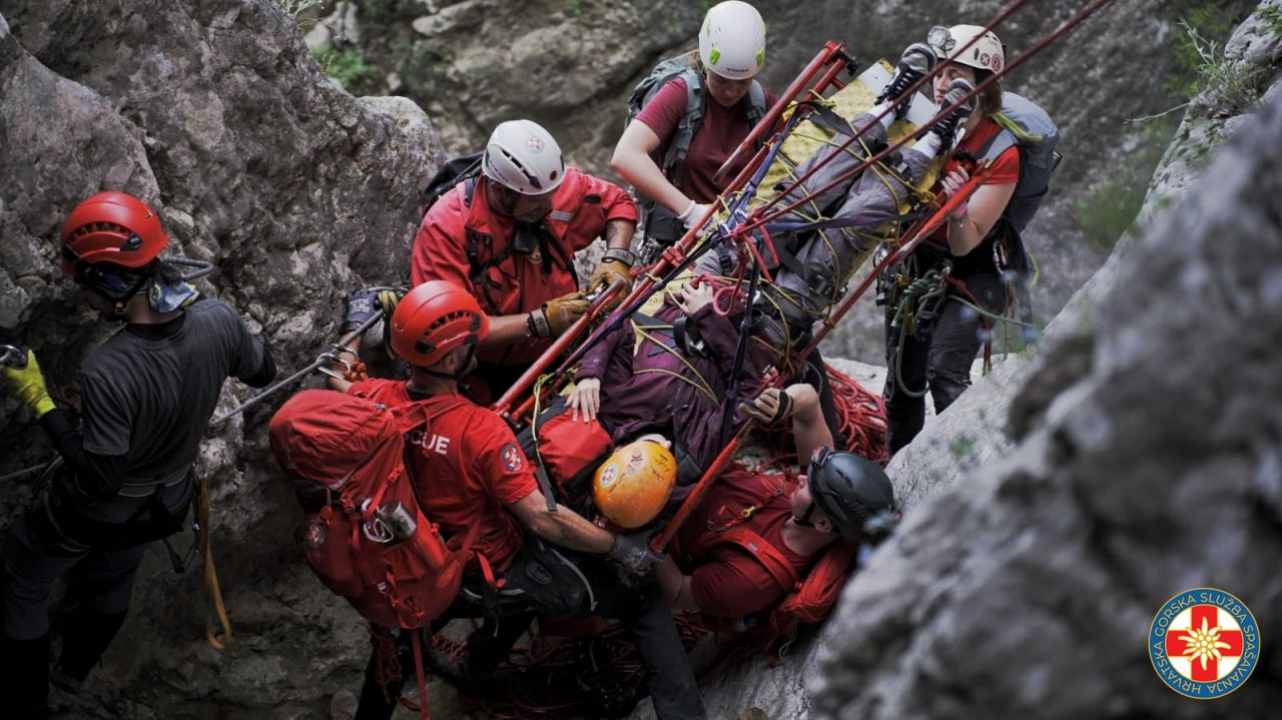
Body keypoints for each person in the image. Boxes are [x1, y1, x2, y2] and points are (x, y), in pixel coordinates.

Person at [327, 281, 705, 720]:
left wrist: (355, 322)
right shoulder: (479, 431)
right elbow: (543, 520)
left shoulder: (377, 401)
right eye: (472, 342)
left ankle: (460, 672)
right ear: (451, 359)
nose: (478, 346)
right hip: (487, 570)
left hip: (419, 560)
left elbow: (338, 374)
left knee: (399, 638)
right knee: (641, 599)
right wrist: (621, 549)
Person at [0, 192, 276, 715]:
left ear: (108, 282)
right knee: (115, 575)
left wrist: (39, 400)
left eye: (85, 286)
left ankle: (23, 704)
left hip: (98, 510)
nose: (84, 301)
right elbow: (265, 370)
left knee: (22, 581)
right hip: (164, 502)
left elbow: (99, 479)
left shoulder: (110, 369)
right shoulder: (217, 318)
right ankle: (75, 671)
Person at [410, 119, 639, 405]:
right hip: (489, 374)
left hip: (564, 351)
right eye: (538, 201)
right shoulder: (447, 227)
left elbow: (617, 203)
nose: (550, 206)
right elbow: (449, 329)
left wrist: (616, 259)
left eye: (551, 195)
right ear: (500, 190)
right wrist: (539, 322)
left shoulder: (548, 189)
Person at [882, 25, 1021, 454]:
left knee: (944, 371)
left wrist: (958, 207)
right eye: (940, 73)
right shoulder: (917, 123)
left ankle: (960, 474)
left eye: (956, 74)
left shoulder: (1001, 150)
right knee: (903, 383)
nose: (943, 85)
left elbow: (966, 242)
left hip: (975, 271)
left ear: (983, 86)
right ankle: (898, 473)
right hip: (917, 263)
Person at [653, 383, 895, 619]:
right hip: (693, 467)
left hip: (654, 514)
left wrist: (642, 539)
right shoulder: (815, 500)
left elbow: (677, 593)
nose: (801, 477)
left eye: (809, 486)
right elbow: (809, 403)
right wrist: (785, 402)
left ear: (822, 524)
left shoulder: (752, 580)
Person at [567, 278, 774, 486]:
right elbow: (749, 391)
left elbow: (619, 322)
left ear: (619, 452)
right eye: (660, 468)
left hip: (691, 296)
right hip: (752, 334)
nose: (664, 447)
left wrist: (591, 371)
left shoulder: (615, 408)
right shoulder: (698, 451)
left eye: (643, 458)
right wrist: (706, 314)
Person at [612, 0, 776, 256]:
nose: (731, 91)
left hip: (738, 239)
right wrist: (692, 213)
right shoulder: (681, 93)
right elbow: (626, 155)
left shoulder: (761, 103)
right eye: (720, 80)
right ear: (707, 63)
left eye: (742, 82)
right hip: (679, 240)